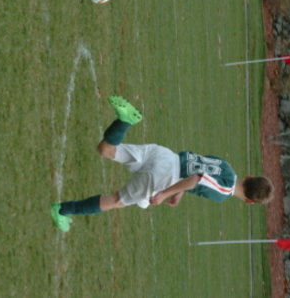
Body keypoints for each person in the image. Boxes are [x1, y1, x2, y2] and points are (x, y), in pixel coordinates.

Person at [50, 96, 274, 232]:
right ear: (249, 202)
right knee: (116, 201)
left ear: (249, 177)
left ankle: (124, 121)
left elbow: (196, 170)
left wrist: (179, 193)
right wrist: (166, 193)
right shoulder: (224, 192)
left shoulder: (227, 167)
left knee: (107, 150)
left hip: (166, 156)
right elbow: (197, 179)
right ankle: (62, 210)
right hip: (164, 177)